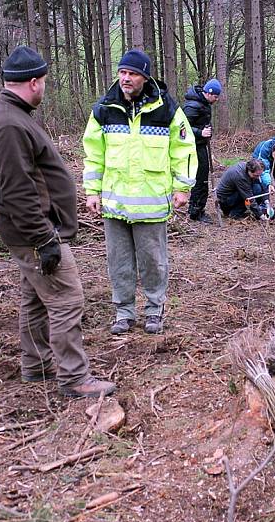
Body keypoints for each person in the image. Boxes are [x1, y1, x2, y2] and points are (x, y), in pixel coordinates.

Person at [0, 46, 115, 398]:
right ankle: (74, 379)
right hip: (35, 234)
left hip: (32, 232)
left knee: (37, 300)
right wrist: (45, 240)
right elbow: (17, 190)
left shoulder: (15, 116)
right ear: (34, 82)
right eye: (45, 82)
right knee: (67, 299)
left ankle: (36, 365)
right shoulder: (10, 124)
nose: (45, 88)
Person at [82, 49, 197, 335]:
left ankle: (154, 311)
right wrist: (92, 192)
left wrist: (183, 187)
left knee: (153, 263)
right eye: (122, 72)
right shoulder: (104, 109)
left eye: (132, 73)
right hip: (114, 204)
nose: (125, 78)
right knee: (118, 263)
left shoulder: (167, 109)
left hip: (151, 205)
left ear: (144, 77)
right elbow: (93, 155)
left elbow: (183, 149)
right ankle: (124, 313)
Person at [183, 78, 222, 223]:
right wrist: (200, 133)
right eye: (216, 96)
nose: (217, 99)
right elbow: (182, 127)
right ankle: (195, 211)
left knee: (203, 177)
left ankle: (199, 209)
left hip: (201, 145)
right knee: (200, 178)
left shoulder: (204, 104)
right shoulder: (192, 106)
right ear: (209, 93)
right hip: (193, 147)